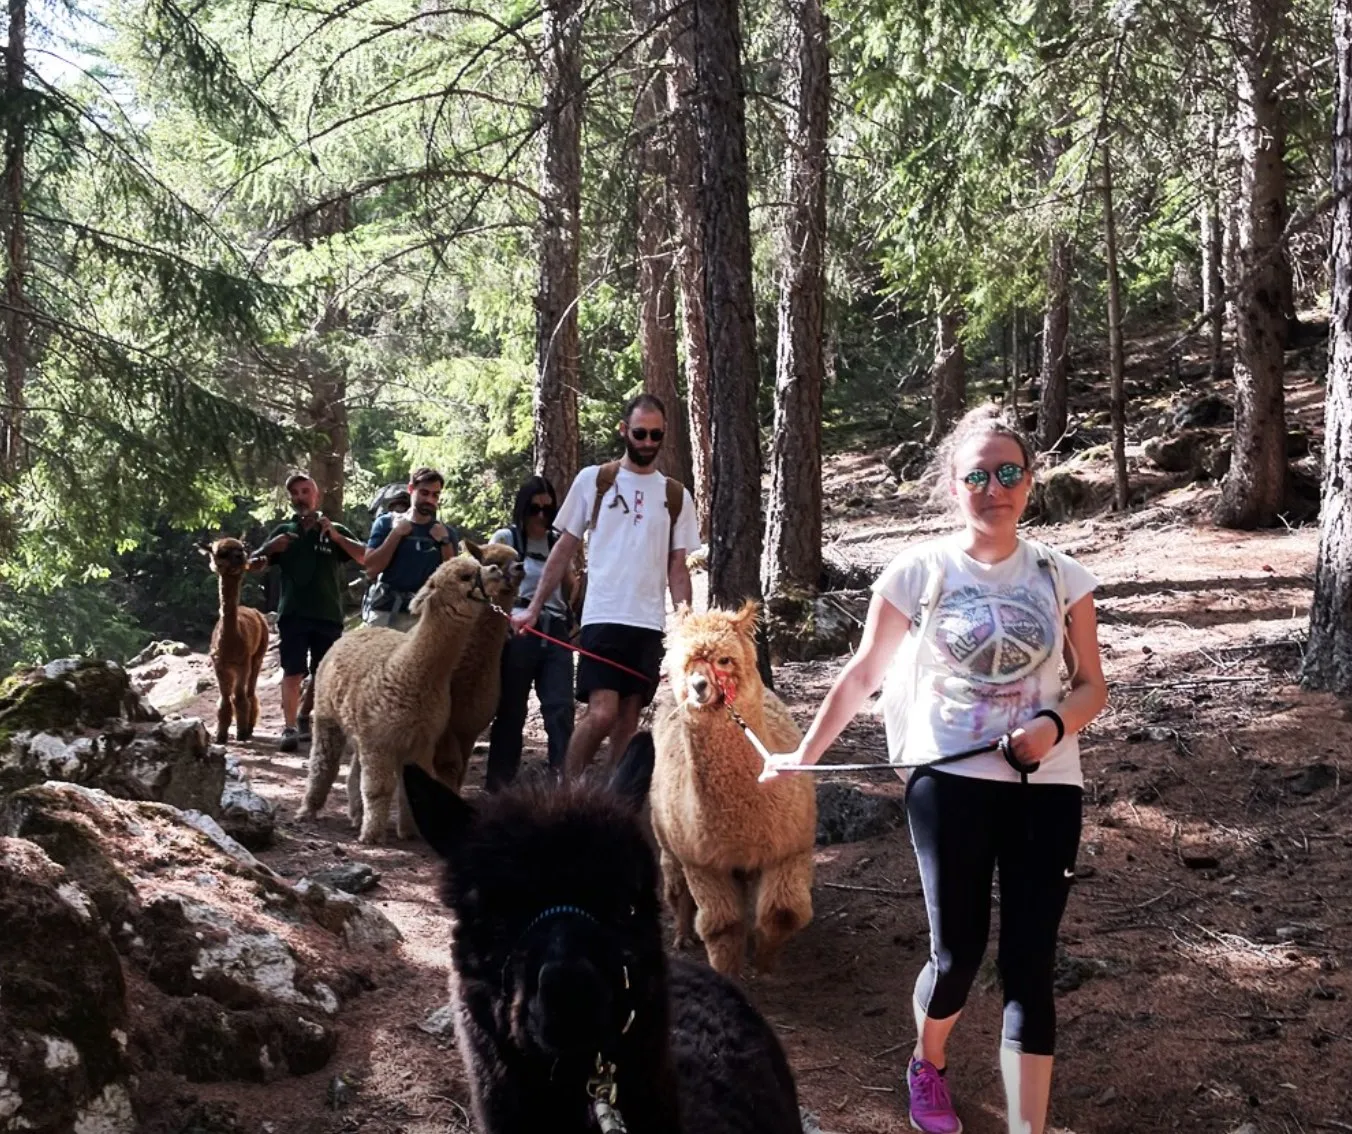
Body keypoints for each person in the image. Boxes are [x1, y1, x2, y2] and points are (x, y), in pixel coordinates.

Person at [762, 405, 1109, 1134]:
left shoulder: (1062, 574)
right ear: (954, 487)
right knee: (956, 956)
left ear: (1030, 480)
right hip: (947, 782)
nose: (994, 487)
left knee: (1029, 964)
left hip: (1047, 785)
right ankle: (929, 1060)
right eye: (977, 476)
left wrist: (1051, 728)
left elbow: (1091, 687)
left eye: (1008, 472)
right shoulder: (920, 570)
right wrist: (804, 758)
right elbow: (862, 675)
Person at [511, 393, 699, 779]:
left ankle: (613, 808)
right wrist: (533, 607)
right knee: (602, 713)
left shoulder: (676, 495)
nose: (648, 442)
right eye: (640, 433)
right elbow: (563, 548)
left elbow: (677, 568)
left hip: (649, 623)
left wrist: (688, 628)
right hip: (603, 616)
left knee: (628, 724)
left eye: (656, 435)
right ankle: (566, 792)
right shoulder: (594, 481)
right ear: (624, 431)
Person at [248, 472, 367, 752]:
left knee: (324, 673)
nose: (300, 498)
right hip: (293, 613)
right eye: (295, 494)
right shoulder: (283, 531)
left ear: (316, 495)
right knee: (293, 671)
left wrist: (337, 537)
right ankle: (289, 728)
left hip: (328, 614)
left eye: (305, 491)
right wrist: (269, 548)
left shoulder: (332, 528)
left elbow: (365, 557)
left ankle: (312, 721)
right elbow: (253, 564)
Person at [484, 475, 577, 789]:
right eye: (534, 508)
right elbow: (491, 582)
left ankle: (563, 784)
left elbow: (570, 587)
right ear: (523, 508)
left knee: (560, 709)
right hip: (517, 632)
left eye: (548, 510)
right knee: (511, 710)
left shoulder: (557, 541)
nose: (540, 516)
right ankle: (498, 786)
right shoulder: (506, 538)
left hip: (556, 631)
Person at [361, 467, 458, 630]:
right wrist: (396, 534)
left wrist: (445, 542)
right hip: (386, 611)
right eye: (424, 493)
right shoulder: (386, 523)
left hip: (425, 615)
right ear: (411, 489)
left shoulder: (447, 534)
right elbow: (371, 569)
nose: (430, 499)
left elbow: (452, 581)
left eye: (435, 495)